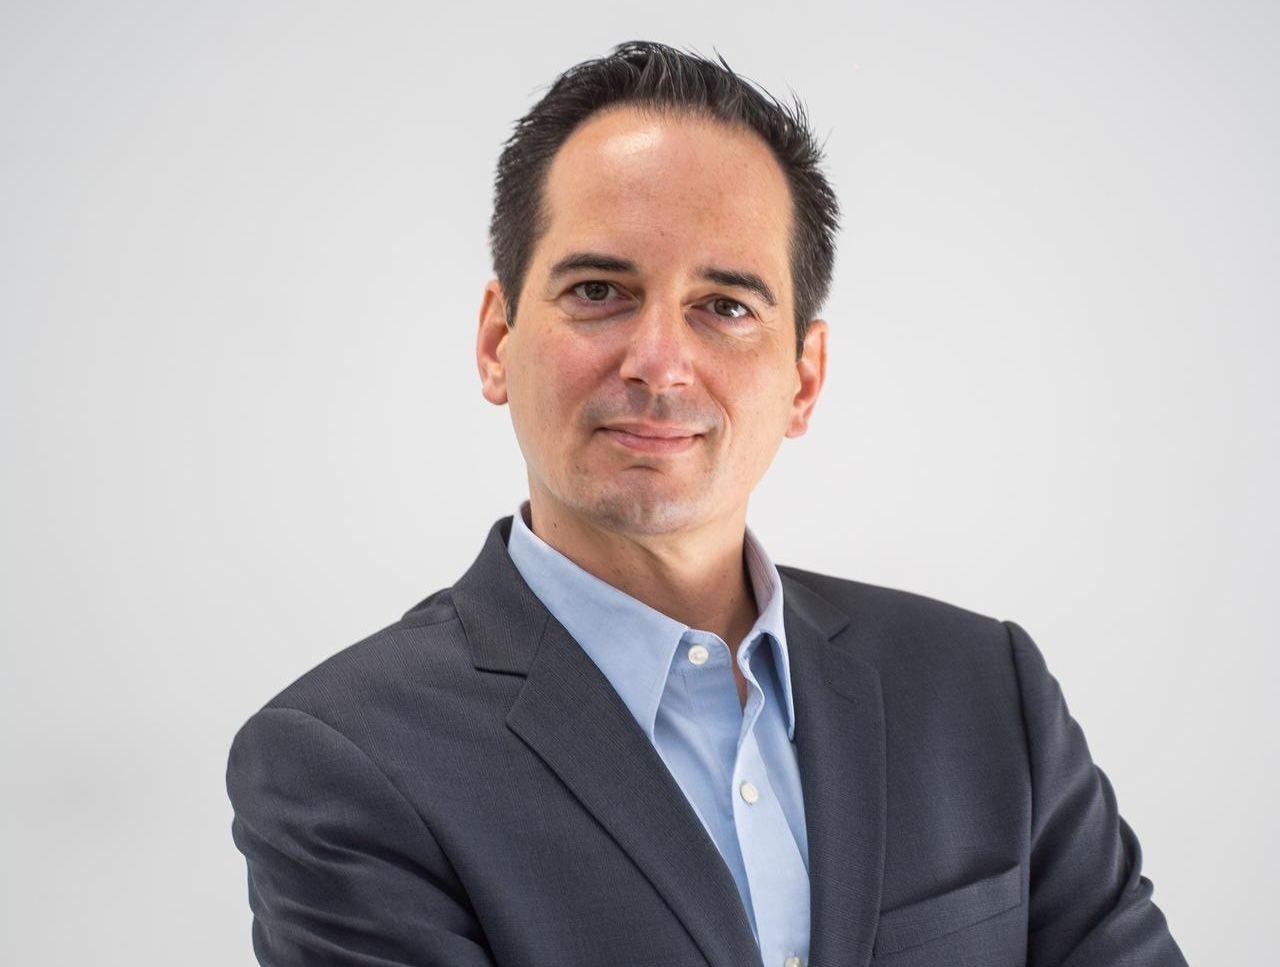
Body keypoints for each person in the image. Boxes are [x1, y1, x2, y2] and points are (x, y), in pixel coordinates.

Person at [226, 40, 1188, 967]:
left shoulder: (983, 691)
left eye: (725, 306)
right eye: (598, 290)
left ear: (804, 378)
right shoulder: (346, 761)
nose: (659, 362)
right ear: (496, 342)